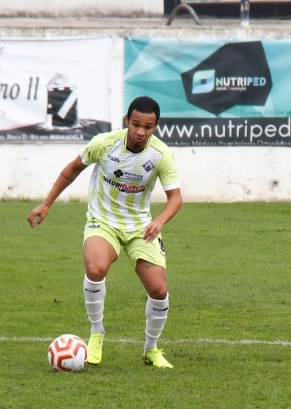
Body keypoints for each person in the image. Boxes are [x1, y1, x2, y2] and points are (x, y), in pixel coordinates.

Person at [27, 96, 183, 369]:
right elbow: (72, 170)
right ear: (127, 120)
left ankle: (151, 349)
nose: (140, 132)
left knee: (158, 289)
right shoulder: (104, 143)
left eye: (147, 126)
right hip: (103, 222)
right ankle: (96, 333)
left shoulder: (160, 154)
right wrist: (47, 203)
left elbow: (176, 198)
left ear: (156, 126)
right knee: (96, 268)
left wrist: (159, 221)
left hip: (140, 228)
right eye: (135, 124)